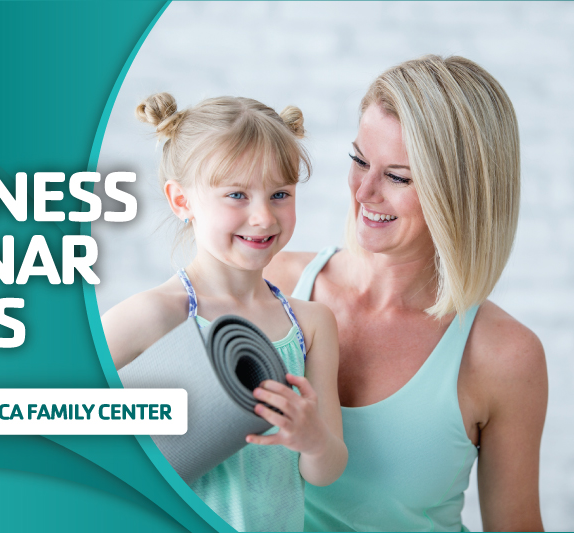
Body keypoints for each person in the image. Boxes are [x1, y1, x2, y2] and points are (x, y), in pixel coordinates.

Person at [265, 55, 547, 531]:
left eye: (397, 177)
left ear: (459, 193)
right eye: (359, 161)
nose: (364, 191)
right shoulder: (274, 281)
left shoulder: (503, 356)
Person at [102, 93, 347, 532]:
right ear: (182, 202)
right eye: (237, 194)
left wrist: (313, 441)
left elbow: (326, 470)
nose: (263, 217)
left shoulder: (310, 324)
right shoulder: (157, 315)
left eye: (280, 194)